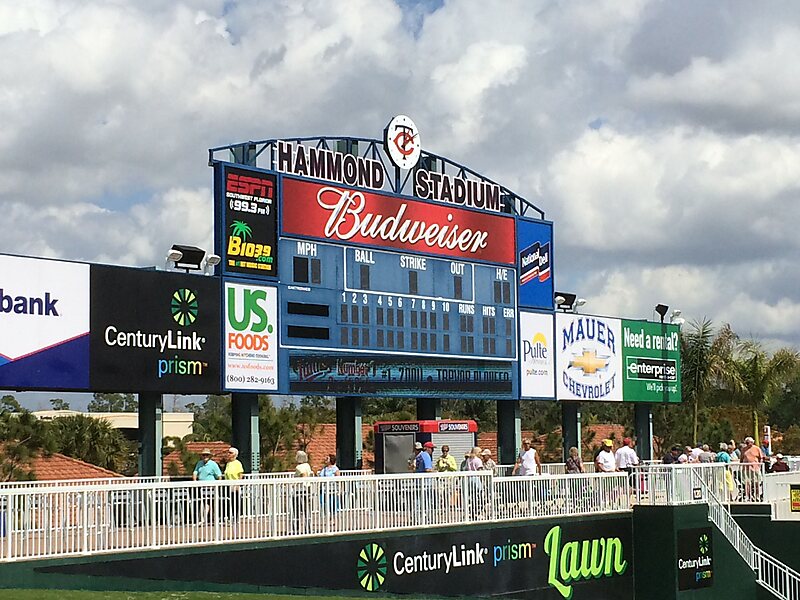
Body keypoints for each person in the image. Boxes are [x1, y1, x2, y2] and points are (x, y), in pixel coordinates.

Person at [193, 448, 222, 524]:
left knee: (212, 502)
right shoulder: (199, 463)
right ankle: (203, 519)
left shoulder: (213, 464)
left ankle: (214, 518)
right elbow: (195, 472)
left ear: (209, 456)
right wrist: (195, 482)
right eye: (204, 455)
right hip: (202, 487)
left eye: (207, 455)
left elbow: (219, 475)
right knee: (204, 502)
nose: (205, 456)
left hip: (212, 487)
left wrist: (218, 485)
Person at [293, 450, 313, 532]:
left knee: (297, 509)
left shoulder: (299, 467)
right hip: (307, 489)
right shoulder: (307, 465)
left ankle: (296, 528)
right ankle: (308, 527)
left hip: (300, 490)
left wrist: (299, 483)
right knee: (306, 509)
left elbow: (303, 474)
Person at [224, 447, 244, 524]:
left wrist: (238, 485)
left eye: (230, 453)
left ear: (235, 454)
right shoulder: (228, 463)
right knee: (230, 502)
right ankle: (230, 517)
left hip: (235, 486)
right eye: (228, 452)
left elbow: (240, 474)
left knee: (236, 502)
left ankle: (236, 518)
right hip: (228, 485)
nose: (228, 454)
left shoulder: (238, 463)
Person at [741, 436, 765, 501]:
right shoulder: (743, 449)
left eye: (748, 442)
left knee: (757, 482)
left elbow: (761, 458)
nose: (747, 444)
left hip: (755, 468)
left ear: (752, 442)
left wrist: (759, 465)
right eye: (746, 443)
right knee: (747, 483)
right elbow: (741, 458)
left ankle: (757, 496)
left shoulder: (757, 448)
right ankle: (747, 496)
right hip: (746, 469)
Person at [318, 453, 340, 518]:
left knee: (332, 502)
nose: (325, 460)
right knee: (322, 502)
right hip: (324, 488)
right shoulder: (324, 469)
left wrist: (339, 488)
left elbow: (338, 478)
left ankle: (333, 516)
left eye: (327, 459)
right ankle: (325, 515)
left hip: (332, 489)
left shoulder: (335, 468)